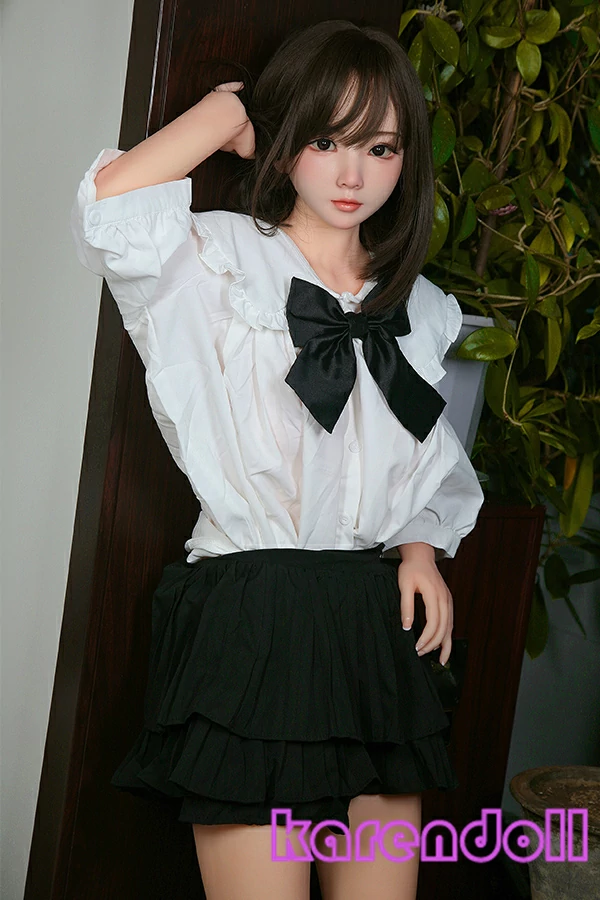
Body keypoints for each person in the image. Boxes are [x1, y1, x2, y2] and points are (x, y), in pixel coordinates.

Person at [71, 18, 485, 900]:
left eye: (379, 147)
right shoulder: (219, 260)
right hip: (254, 613)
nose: (351, 175)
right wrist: (224, 117)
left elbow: (428, 461)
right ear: (287, 135)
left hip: (374, 625)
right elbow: (110, 207)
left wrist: (420, 549)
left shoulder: (424, 311)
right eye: (325, 140)